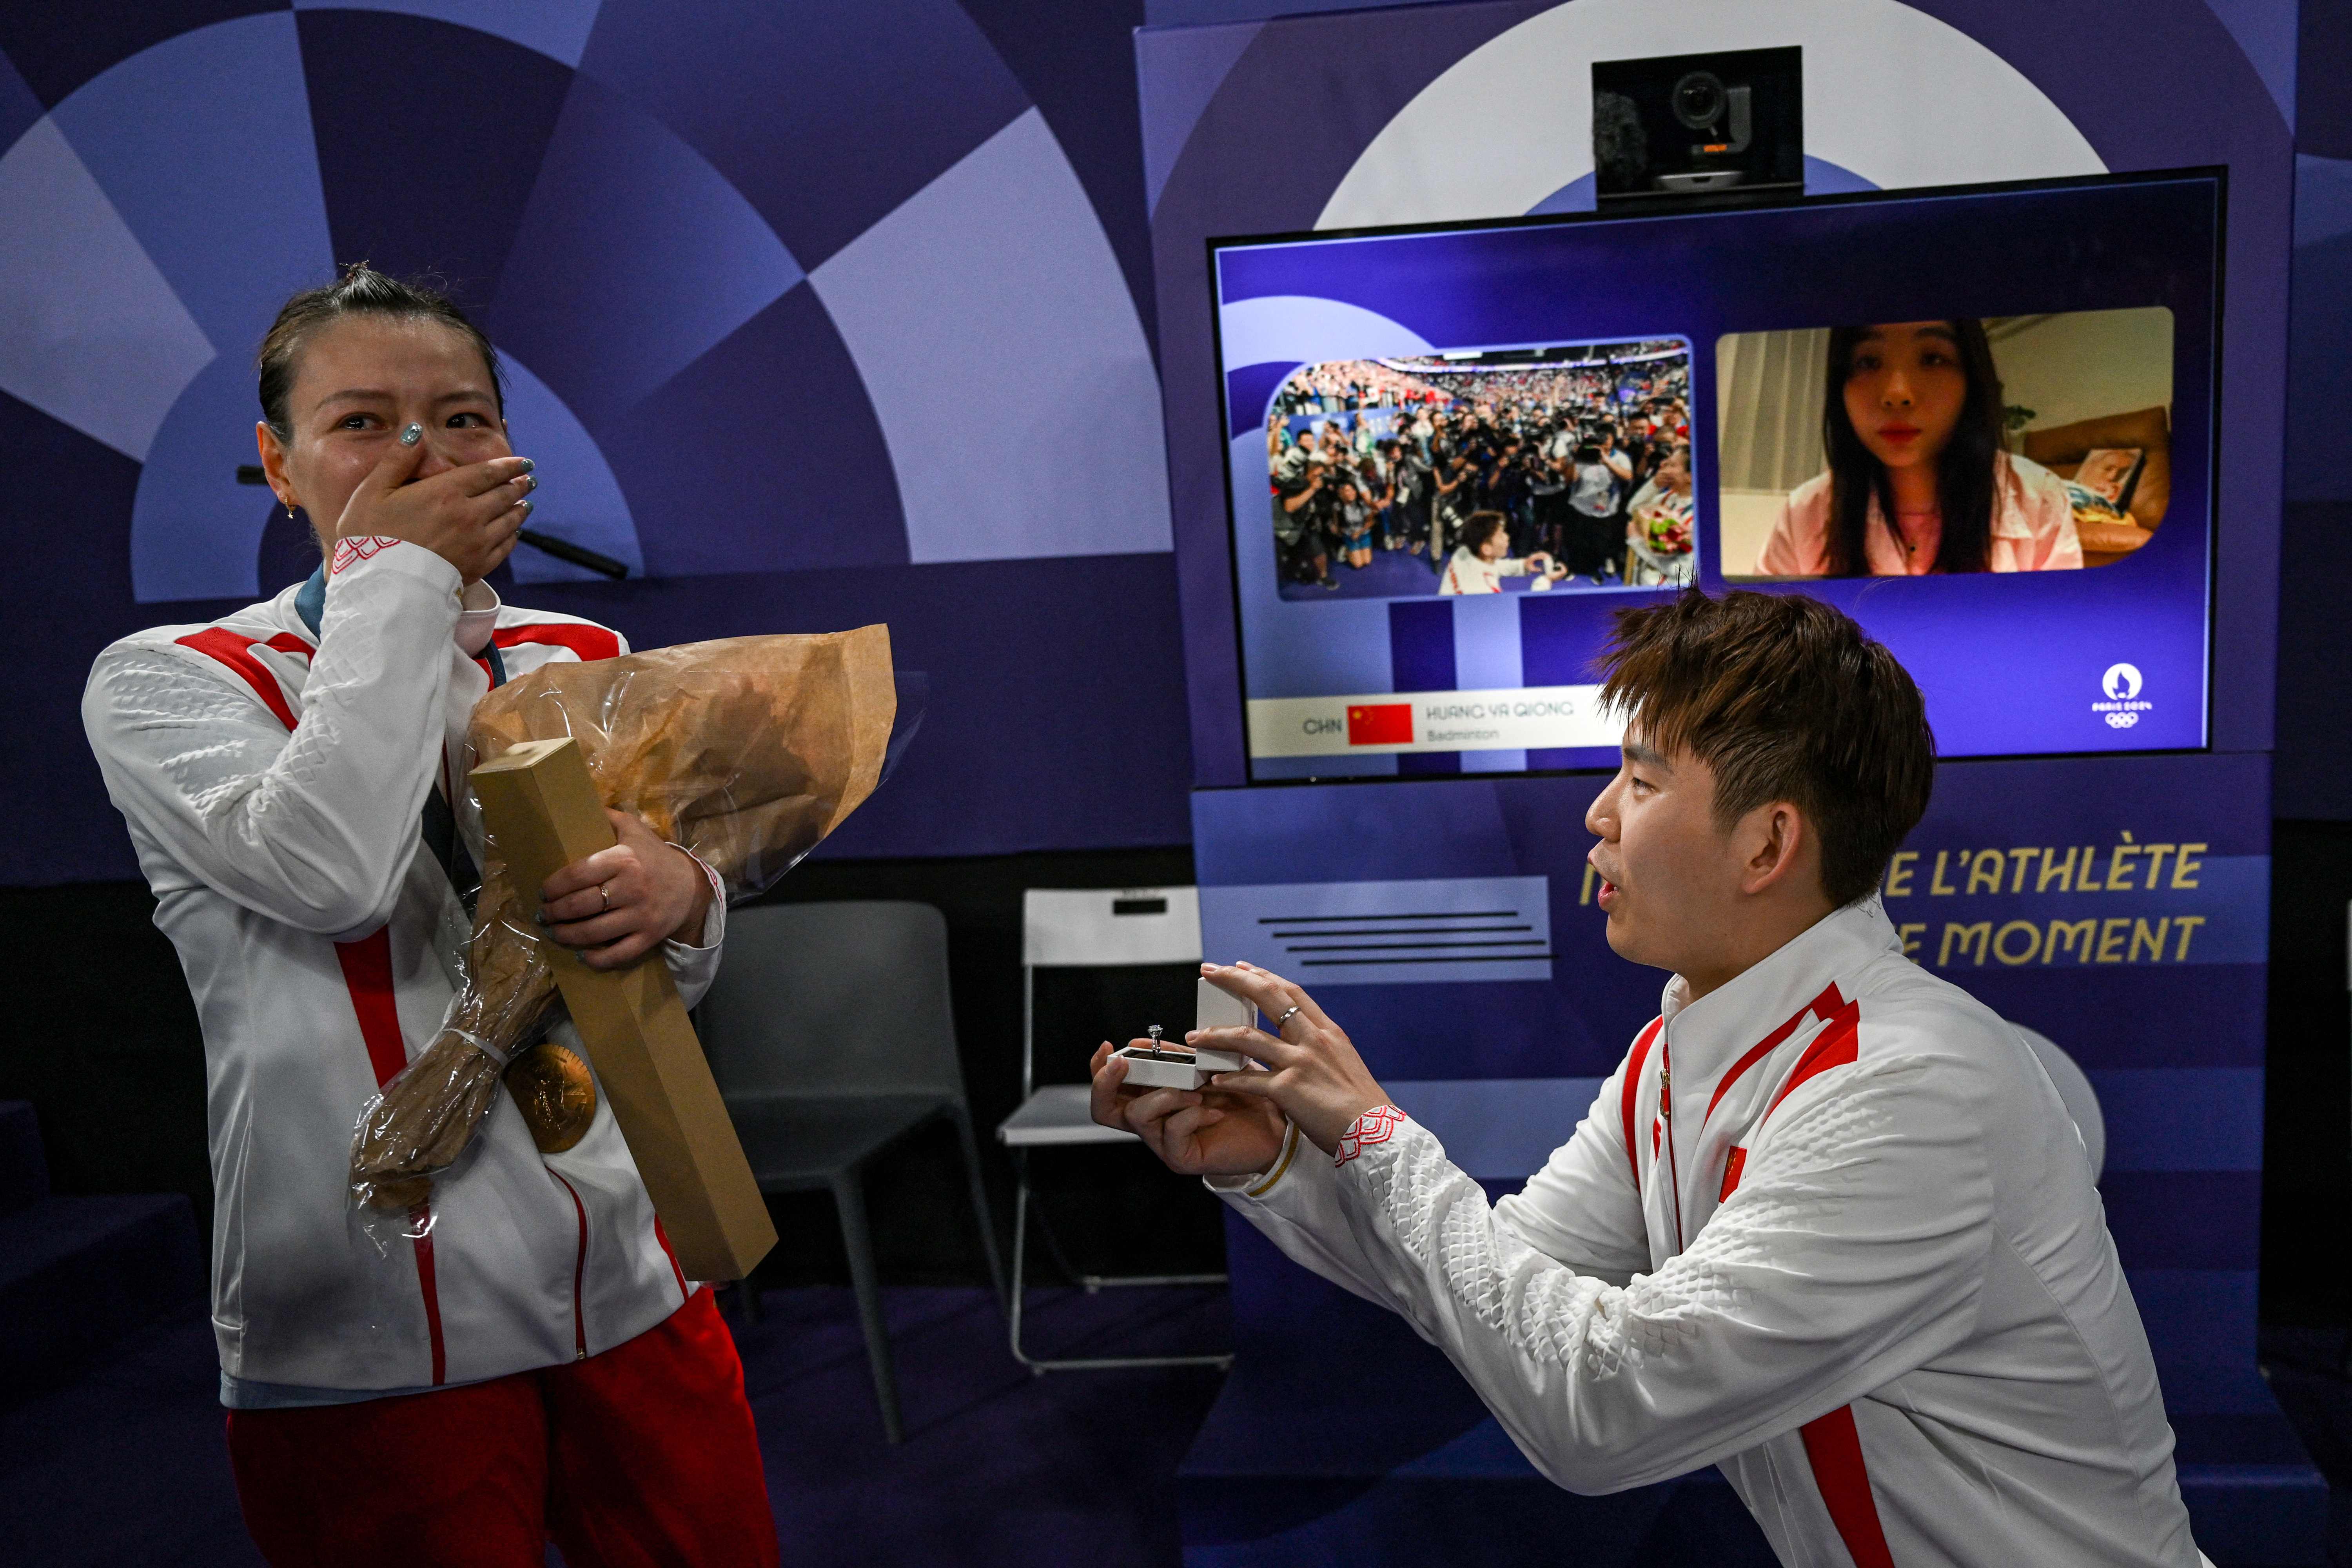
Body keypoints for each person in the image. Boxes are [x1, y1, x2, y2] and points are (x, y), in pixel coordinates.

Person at [1090, 590, 2203, 1567]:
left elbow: (1603, 1411)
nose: (1598, 814)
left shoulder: (1907, 1095)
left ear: (1767, 847)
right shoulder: (1686, 1046)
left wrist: (1377, 1137)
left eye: (1641, 778)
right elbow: (1496, 1288)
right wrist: (1286, 1163)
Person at [82, 266, 779, 1567]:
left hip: (626, 1282)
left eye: (462, 420)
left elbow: (639, 984)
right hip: (368, 1333)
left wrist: (684, 903)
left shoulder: (577, 653)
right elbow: (331, 873)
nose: (419, 455)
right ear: (277, 467)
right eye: (362, 424)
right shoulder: (173, 682)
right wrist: (396, 573)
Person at [1757, 320, 2082, 576]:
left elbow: (2062, 638)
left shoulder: (2038, 498)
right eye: (1869, 362)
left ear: (1970, 376)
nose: (1898, 394)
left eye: (1933, 359)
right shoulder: (1805, 512)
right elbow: (1769, 644)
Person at [1437, 510, 1562, 594]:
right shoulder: (1486, 593)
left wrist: (1523, 565)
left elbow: (1493, 565)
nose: (1507, 537)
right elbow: (1525, 615)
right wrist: (1547, 580)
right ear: (1486, 549)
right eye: (1501, 535)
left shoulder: (1464, 552)